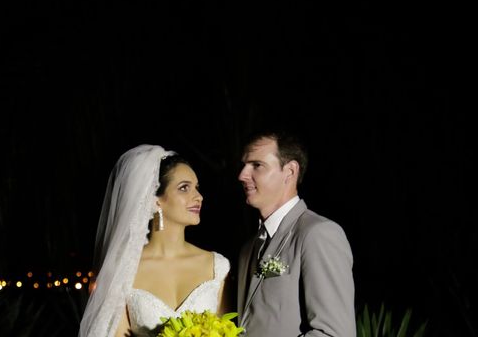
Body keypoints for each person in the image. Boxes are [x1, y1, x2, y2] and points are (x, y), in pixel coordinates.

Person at [79, 144, 231, 337]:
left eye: (197, 188)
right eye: (184, 188)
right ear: (155, 200)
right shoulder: (124, 270)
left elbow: (229, 330)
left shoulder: (216, 266)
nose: (198, 197)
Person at [236, 129, 356, 337]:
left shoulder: (318, 234)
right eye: (244, 165)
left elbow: (334, 333)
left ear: (290, 171)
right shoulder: (248, 248)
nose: (242, 175)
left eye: (257, 165)